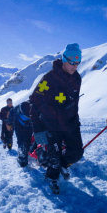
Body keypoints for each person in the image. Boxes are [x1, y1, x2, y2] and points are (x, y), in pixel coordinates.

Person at [29, 43, 84, 194]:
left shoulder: (77, 79)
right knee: (54, 158)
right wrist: (38, 130)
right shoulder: (49, 79)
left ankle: (63, 165)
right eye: (72, 62)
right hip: (51, 125)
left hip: (71, 124)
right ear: (64, 59)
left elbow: (75, 102)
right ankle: (52, 177)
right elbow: (34, 102)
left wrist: (75, 119)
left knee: (77, 153)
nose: (75, 66)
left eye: (78, 62)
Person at [6, 100, 34, 167]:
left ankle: (23, 157)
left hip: (22, 124)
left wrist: (9, 123)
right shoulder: (27, 106)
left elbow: (12, 112)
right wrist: (9, 123)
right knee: (24, 140)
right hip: (22, 123)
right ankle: (23, 157)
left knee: (23, 140)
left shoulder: (23, 105)